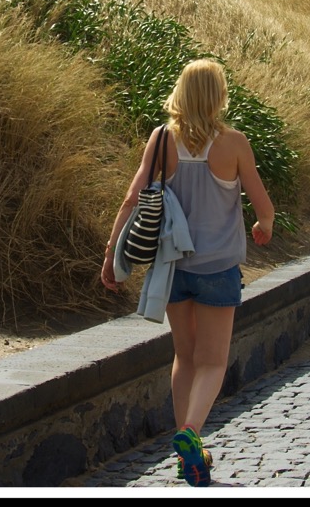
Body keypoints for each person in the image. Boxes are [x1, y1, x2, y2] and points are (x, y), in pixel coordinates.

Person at [100, 58, 275, 487]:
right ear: (218, 97)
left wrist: (111, 255)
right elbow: (262, 204)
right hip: (218, 267)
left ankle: (186, 458)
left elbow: (131, 198)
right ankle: (190, 435)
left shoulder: (161, 140)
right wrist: (263, 225)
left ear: (180, 91)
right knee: (213, 361)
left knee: (185, 357)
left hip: (173, 267)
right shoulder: (234, 143)